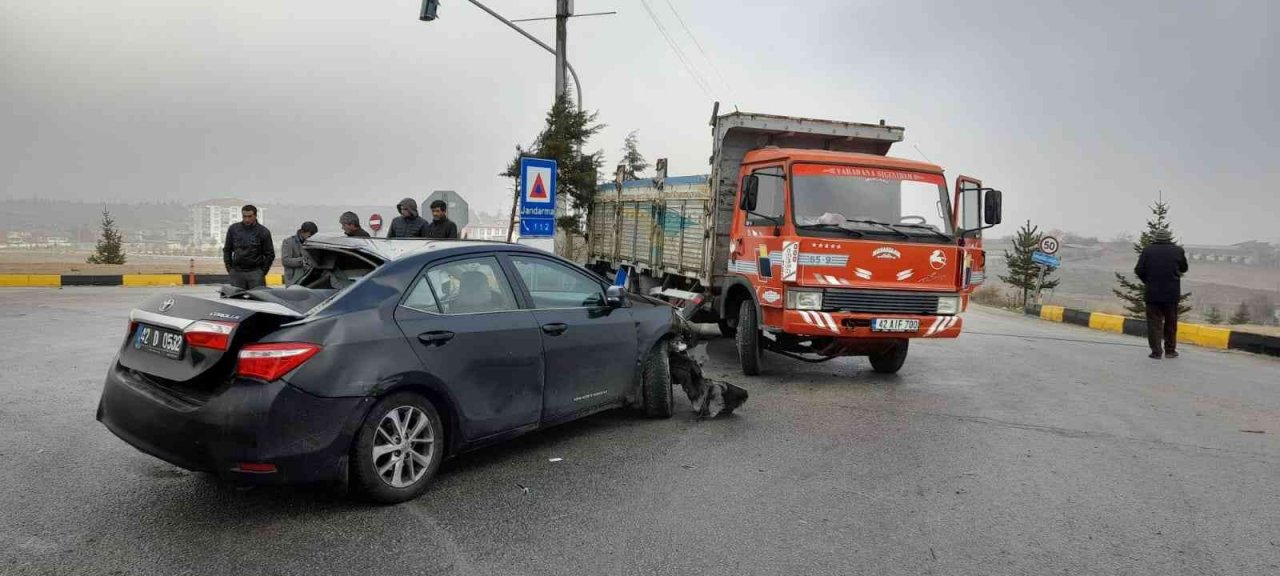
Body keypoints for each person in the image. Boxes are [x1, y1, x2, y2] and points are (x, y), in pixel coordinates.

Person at [1135, 229, 1189, 359]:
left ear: (1155, 238)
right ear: (1169, 238)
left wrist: (1147, 281)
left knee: (1154, 323)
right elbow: (1184, 268)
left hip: (1152, 293)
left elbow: (1139, 269)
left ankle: (1156, 352)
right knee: (1171, 322)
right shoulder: (1178, 250)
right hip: (1171, 293)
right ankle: (1170, 351)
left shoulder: (1148, 250)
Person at [223, 205, 275, 290]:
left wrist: (262, 272)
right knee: (236, 301)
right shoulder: (233, 229)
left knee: (257, 300)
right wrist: (229, 268)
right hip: (237, 273)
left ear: (255, 216)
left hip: (255, 273)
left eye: (250, 216)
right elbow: (227, 250)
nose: (247, 219)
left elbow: (270, 254)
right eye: (244, 216)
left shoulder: (263, 232)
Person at [281, 221, 317, 287]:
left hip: (309, 281)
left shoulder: (313, 242)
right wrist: (304, 260)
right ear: (302, 232)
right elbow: (285, 261)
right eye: (309, 236)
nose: (311, 238)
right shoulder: (289, 242)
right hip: (294, 281)